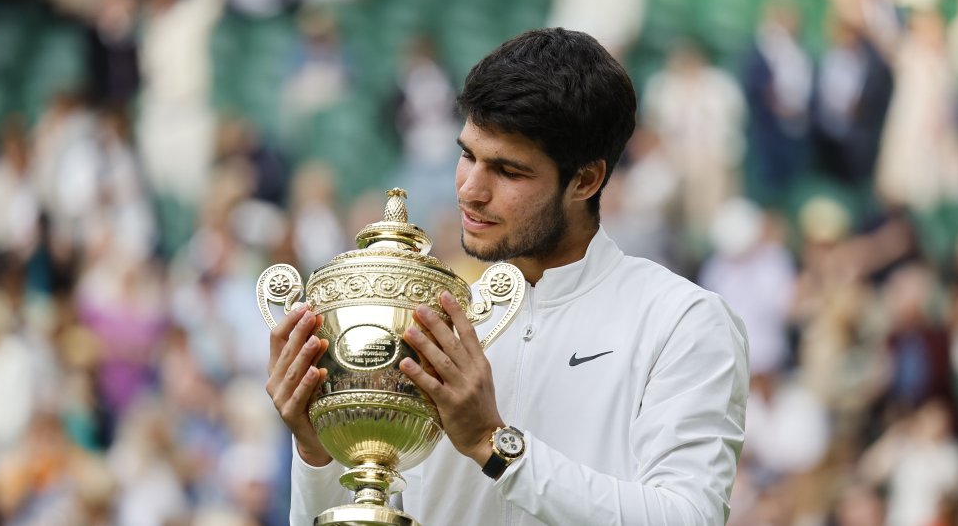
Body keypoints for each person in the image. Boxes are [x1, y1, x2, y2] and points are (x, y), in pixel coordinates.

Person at [266, 28, 750, 524]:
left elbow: (686, 517)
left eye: (508, 171)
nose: (471, 191)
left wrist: (493, 444)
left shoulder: (682, 320)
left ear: (586, 179)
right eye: (468, 155)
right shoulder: (430, 322)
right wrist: (317, 451)